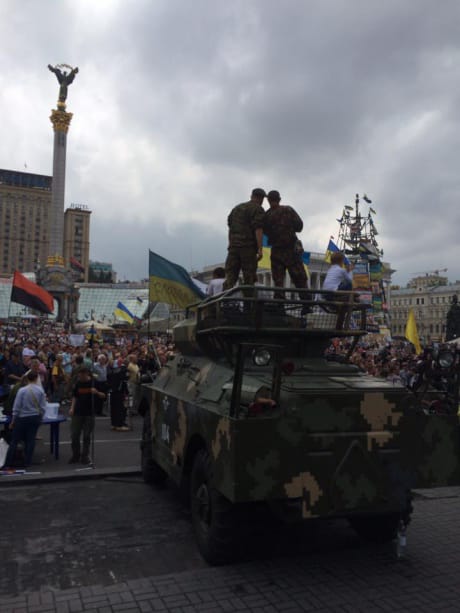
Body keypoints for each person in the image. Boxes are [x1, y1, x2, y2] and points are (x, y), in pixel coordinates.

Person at [263, 190, 308, 297]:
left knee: (278, 282)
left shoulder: (266, 216)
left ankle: (279, 304)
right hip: (291, 250)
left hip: (276, 251)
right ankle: (307, 302)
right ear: (279, 199)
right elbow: (299, 226)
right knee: (300, 279)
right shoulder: (288, 210)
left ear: (268, 200)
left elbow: (265, 231)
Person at [223, 188, 266, 290]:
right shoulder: (257, 209)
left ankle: (225, 298)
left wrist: (230, 244)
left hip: (233, 248)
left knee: (230, 278)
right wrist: (260, 249)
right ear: (261, 199)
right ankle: (248, 300)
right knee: (249, 279)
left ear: (251, 196)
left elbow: (230, 228)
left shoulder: (236, 208)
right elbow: (258, 229)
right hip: (248, 249)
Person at [3, 371, 46, 468]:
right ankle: (27, 462)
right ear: (36, 378)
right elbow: (43, 407)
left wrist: (13, 420)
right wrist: (41, 417)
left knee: (15, 440)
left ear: (27, 379)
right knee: (30, 440)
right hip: (34, 417)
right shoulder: (40, 391)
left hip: (22, 418)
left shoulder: (22, 390)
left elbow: (16, 407)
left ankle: (8, 462)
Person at [68, 367, 105, 465]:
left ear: (87, 374)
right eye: (79, 375)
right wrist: (72, 408)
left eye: (82, 375)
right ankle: (76, 455)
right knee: (74, 435)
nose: (80, 377)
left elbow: (103, 395)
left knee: (87, 436)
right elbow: (75, 396)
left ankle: (85, 456)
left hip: (89, 412)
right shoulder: (78, 383)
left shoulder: (94, 383)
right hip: (78, 412)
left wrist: (96, 392)